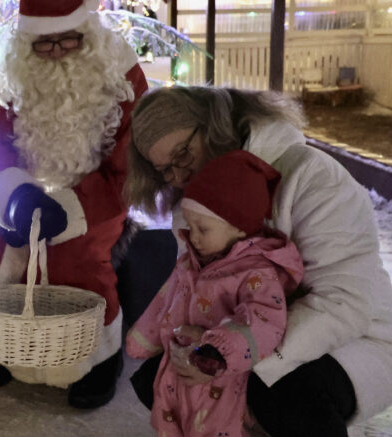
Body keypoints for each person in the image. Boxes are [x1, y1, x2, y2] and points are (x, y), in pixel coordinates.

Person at [126, 85, 392, 436]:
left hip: (353, 337)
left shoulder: (312, 176)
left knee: (282, 393)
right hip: (239, 335)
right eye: (165, 170)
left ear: (215, 127)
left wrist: (235, 353)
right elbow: (198, 291)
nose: (179, 176)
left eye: (183, 154)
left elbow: (343, 302)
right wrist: (194, 342)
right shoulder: (191, 206)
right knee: (159, 378)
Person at [0, 0, 149, 409]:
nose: (59, 50)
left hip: (99, 195)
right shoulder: (13, 76)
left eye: (69, 38)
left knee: (74, 258)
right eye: (43, 45)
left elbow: (130, 165)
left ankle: (101, 355)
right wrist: (13, 198)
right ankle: (5, 346)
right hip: (24, 192)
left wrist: (70, 208)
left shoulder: (121, 75)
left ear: (90, 32)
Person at [126, 150, 304, 436]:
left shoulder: (257, 274)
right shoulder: (192, 260)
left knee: (213, 427)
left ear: (238, 227)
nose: (192, 236)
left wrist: (218, 352)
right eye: (190, 224)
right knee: (172, 420)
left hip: (219, 381)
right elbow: (167, 297)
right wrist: (144, 338)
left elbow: (263, 322)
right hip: (180, 369)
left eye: (203, 228)